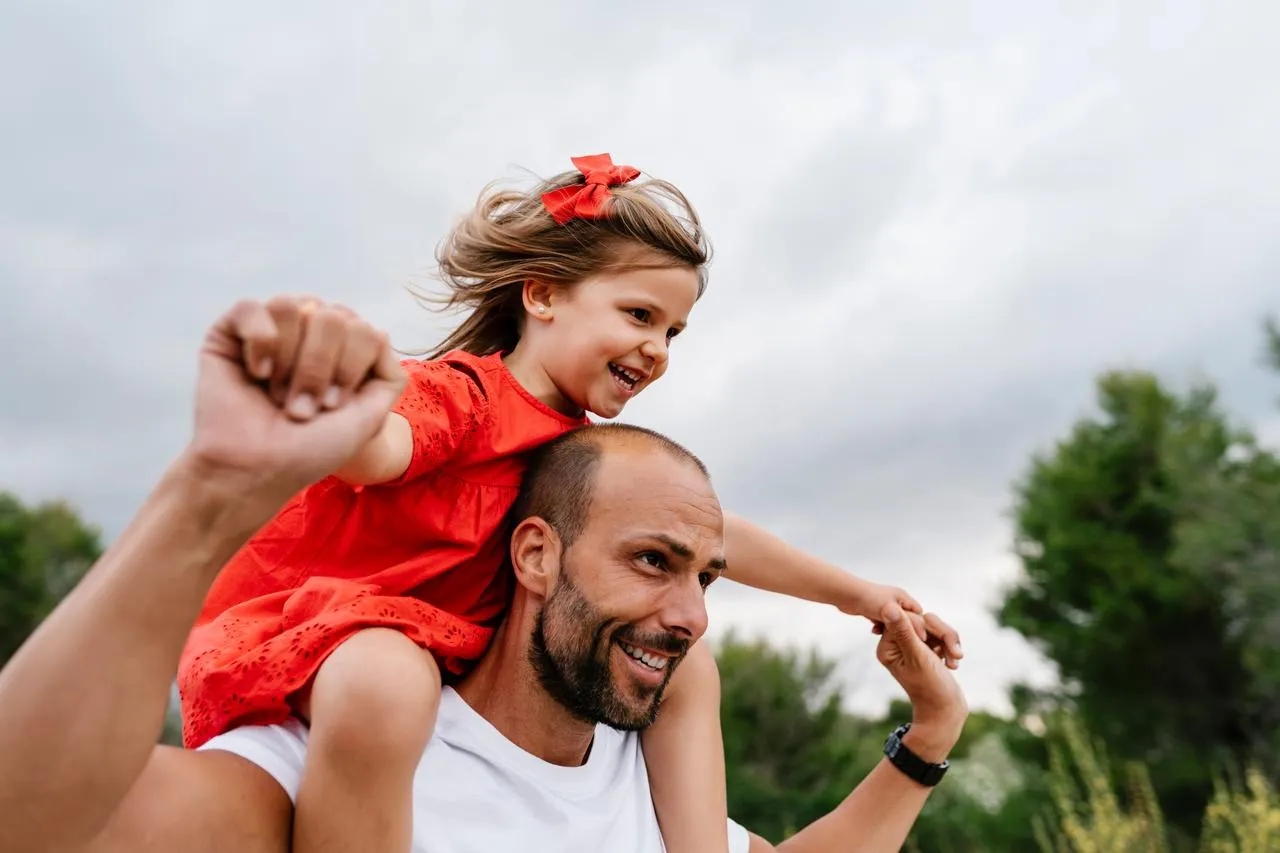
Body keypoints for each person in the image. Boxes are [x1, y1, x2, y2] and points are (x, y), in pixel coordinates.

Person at [174, 155, 964, 853]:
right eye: (639, 315)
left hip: (453, 636)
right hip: (347, 624)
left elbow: (715, 536)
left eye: (675, 330)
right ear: (543, 295)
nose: (657, 348)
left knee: (689, 666)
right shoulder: (467, 397)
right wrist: (333, 419)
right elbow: (386, 451)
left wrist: (856, 594)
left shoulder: (577, 454)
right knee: (386, 678)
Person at [0, 298, 968, 852]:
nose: (688, 616)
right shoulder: (344, 761)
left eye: (704, 580)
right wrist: (208, 495)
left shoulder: (657, 795)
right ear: (533, 552)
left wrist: (929, 737)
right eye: (650, 562)